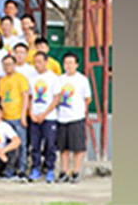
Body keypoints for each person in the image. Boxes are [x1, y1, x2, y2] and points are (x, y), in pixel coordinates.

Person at [25, 51, 62, 183]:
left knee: (50, 144)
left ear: (46, 61)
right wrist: (31, 113)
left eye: (40, 62)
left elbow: (56, 98)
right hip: (34, 115)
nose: (37, 65)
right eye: (35, 62)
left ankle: (49, 168)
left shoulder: (53, 78)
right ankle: (35, 168)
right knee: (35, 144)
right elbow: (29, 97)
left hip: (49, 117)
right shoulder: (31, 77)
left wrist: (44, 114)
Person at [55, 53, 92, 184]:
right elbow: (56, 98)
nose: (68, 65)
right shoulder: (59, 79)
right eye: (66, 63)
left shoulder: (82, 80)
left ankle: (76, 172)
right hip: (62, 118)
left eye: (71, 63)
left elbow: (87, 98)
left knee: (77, 148)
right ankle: (63, 172)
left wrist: (79, 109)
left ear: (76, 65)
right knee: (63, 148)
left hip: (76, 117)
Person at [0, 54, 32, 180]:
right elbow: (1, 98)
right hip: (6, 117)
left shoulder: (21, 78)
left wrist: (23, 114)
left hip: (17, 116)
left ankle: (22, 169)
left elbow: (25, 97)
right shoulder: (2, 80)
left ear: (15, 65)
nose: (8, 67)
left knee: (21, 144)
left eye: (10, 64)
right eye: (5, 64)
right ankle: (9, 170)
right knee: (8, 145)